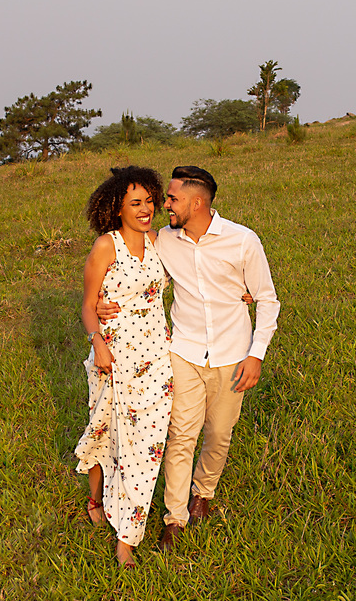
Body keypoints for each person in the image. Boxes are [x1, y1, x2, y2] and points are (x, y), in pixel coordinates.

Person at [99, 165, 280, 553]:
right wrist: (103, 302)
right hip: (182, 350)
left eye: (172, 198)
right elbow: (135, 273)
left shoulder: (243, 241)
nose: (165, 205)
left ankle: (205, 491)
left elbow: (266, 299)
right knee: (180, 435)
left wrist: (256, 355)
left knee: (219, 433)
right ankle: (175, 518)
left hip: (233, 354)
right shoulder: (164, 240)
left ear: (197, 203)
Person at [74, 166, 172, 568]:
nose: (146, 209)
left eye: (150, 200)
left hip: (157, 361)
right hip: (113, 358)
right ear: (117, 208)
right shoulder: (105, 247)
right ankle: (96, 499)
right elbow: (87, 304)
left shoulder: (157, 241)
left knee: (147, 447)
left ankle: (126, 540)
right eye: (136, 203)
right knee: (105, 432)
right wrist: (97, 341)